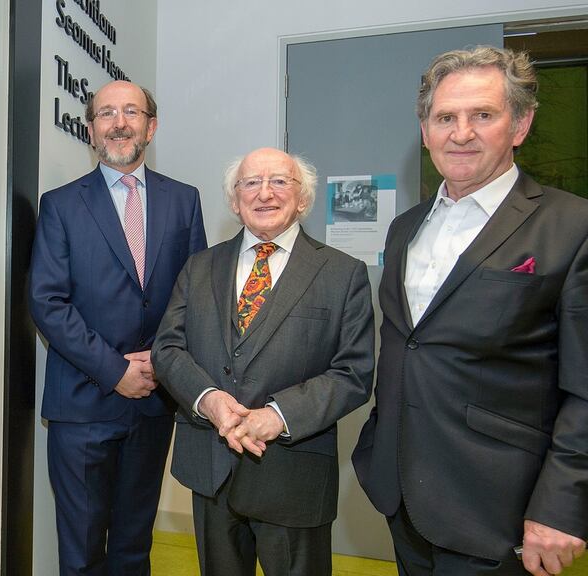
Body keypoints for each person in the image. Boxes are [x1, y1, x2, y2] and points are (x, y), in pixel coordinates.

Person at [351, 46, 588, 576]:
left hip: (501, 509)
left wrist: (562, 505)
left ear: (520, 124)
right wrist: (375, 443)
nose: (461, 133)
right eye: (445, 118)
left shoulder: (572, 227)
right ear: (425, 129)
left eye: (483, 114)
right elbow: (408, 343)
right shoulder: (405, 227)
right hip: (401, 495)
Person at [152, 147, 375, 576]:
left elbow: (354, 373)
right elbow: (167, 349)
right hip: (212, 469)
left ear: (303, 198)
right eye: (250, 183)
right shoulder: (199, 267)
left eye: (279, 181)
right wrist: (208, 400)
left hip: (293, 475)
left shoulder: (342, 274)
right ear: (235, 202)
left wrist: (277, 416)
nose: (264, 193)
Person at [29, 80, 207, 575]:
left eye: (131, 111)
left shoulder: (183, 201)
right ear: (91, 129)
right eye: (106, 113)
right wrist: (113, 370)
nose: (119, 122)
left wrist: (158, 361)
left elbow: (196, 297)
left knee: (133, 546)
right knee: (83, 552)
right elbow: (47, 301)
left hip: (153, 400)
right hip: (83, 404)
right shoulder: (60, 204)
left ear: (151, 125)